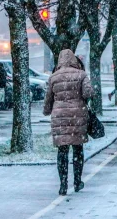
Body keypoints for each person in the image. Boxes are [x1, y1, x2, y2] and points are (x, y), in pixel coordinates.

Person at [43, 49, 94, 196]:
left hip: (60, 118)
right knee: (78, 150)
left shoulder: (53, 77)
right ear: (74, 60)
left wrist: (47, 111)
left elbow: (48, 99)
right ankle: (77, 181)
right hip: (77, 116)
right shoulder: (81, 75)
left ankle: (63, 184)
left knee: (62, 150)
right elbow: (88, 93)